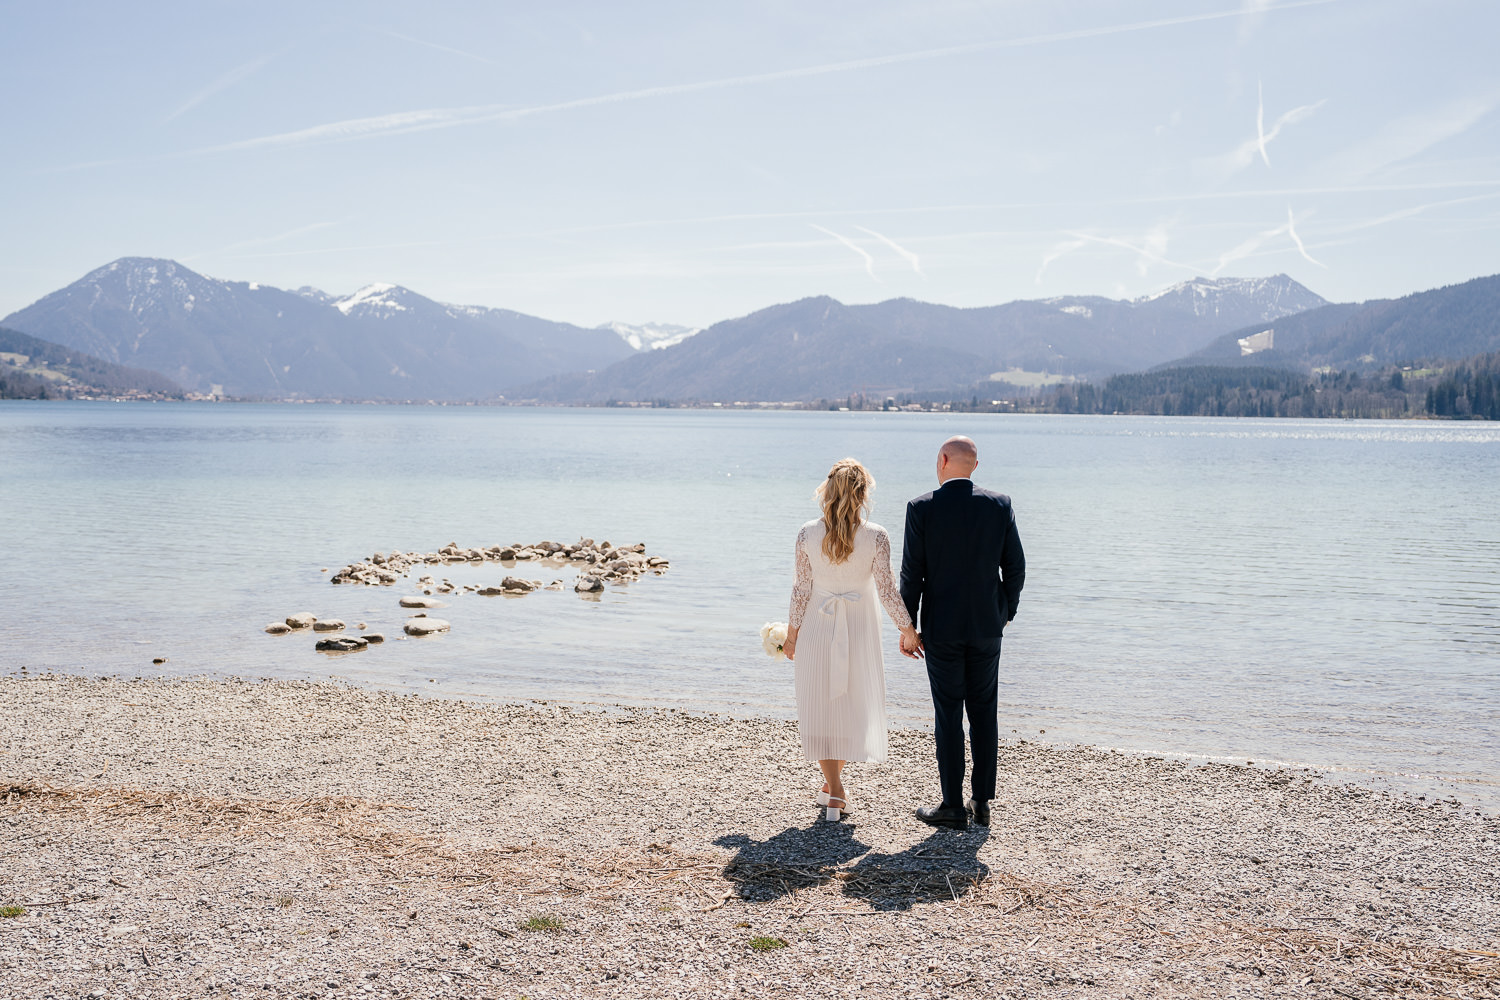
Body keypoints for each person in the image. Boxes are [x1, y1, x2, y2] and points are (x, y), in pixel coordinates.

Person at [899, 435, 1026, 831]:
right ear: (975, 464)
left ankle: (952, 806)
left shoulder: (921, 508)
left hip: (941, 629)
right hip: (987, 627)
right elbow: (1016, 568)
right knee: (985, 712)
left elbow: (911, 575)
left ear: (942, 460)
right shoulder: (999, 504)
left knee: (949, 713)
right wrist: (1006, 612)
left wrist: (909, 627)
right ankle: (981, 802)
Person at [783, 458, 920, 821]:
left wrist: (792, 634)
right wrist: (907, 629)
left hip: (816, 623)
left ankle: (832, 787)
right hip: (860, 627)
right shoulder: (876, 535)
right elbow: (887, 589)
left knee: (823, 706)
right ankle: (837, 791)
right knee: (848, 704)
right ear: (862, 494)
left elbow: (801, 590)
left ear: (827, 492)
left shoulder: (805, 534)